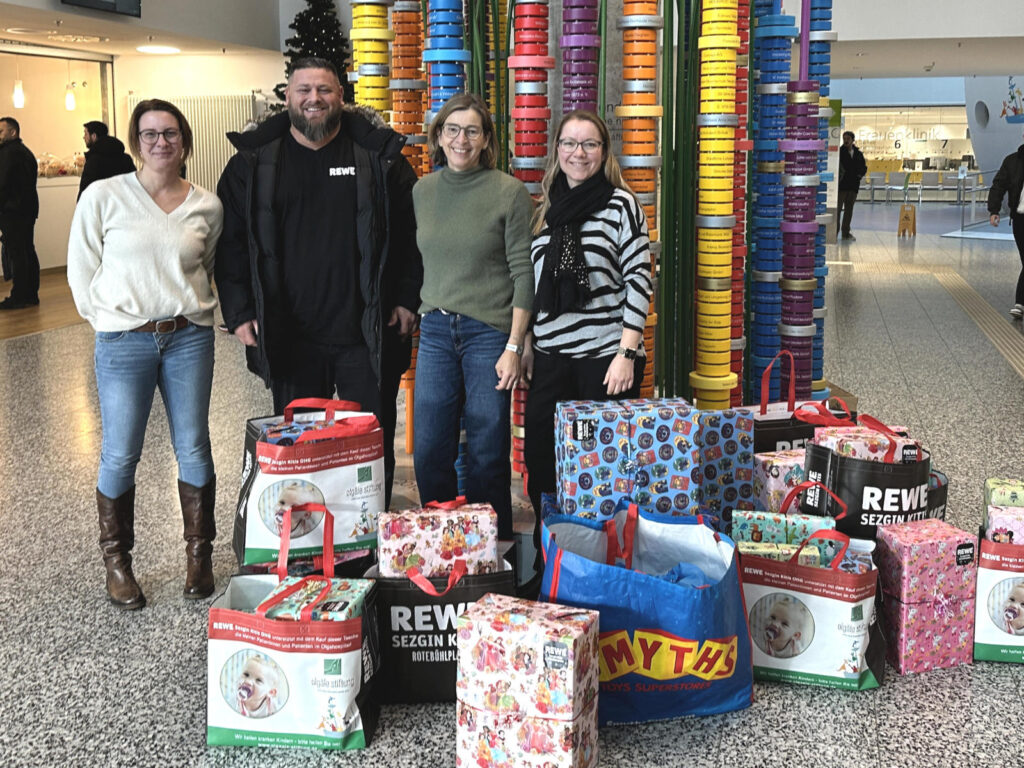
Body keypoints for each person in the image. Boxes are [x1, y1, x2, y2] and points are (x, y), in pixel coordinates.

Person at [215, 57, 421, 509]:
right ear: (287, 97)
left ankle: (368, 533)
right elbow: (231, 244)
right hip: (290, 336)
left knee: (369, 448)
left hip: (366, 335)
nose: (314, 99)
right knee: (301, 448)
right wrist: (240, 311)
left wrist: (408, 297)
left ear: (341, 97)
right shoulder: (252, 163)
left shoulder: (378, 156)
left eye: (325, 90)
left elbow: (412, 232)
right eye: (304, 90)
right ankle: (310, 536)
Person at [68, 99, 224, 610]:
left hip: (188, 337)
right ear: (137, 141)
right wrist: (105, 319)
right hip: (124, 341)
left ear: (185, 141)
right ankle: (117, 563)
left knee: (194, 446)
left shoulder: (206, 205)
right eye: (150, 134)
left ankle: (199, 557)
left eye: (170, 133)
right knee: (120, 452)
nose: (161, 142)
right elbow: (81, 267)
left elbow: (205, 267)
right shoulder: (104, 195)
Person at [522, 109, 652, 538]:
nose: (578, 153)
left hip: (604, 361)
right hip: (550, 360)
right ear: (556, 150)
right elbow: (534, 285)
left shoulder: (621, 205)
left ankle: (602, 555)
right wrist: (527, 343)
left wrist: (626, 353)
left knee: (603, 468)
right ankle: (552, 554)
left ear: (604, 151)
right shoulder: (545, 210)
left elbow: (639, 279)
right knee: (543, 462)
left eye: (589, 144)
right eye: (569, 143)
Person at [412, 93, 534, 539]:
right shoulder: (422, 191)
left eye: (472, 131)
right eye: (453, 130)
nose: (461, 140)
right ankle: (438, 544)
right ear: (439, 136)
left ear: (486, 140)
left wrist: (515, 345)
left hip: (489, 333)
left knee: (487, 449)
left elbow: (524, 273)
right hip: (436, 330)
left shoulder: (509, 192)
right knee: (429, 447)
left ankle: (492, 550)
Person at [0, 116, 40, 309]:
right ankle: (31, 294)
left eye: (1, 131)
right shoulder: (26, 152)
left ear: (13, 132)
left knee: (17, 254)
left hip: (12, 211)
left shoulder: (8, 153)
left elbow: (3, 184)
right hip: (27, 210)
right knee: (27, 251)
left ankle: (19, 296)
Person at [988, 142, 1024, 319]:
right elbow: (999, 185)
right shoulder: (1013, 161)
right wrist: (994, 210)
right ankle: (1020, 303)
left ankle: (1020, 303)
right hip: (1021, 218)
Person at [78, 120, 135, 199]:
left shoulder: (93, 161)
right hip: (124, 204)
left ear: (94, 136)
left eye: (86, 134)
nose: (84, 137)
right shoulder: (126, 158)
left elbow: (85, 192)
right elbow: (134, 186)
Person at [837, 130, 867, 241]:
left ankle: (845, 233)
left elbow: (864, 167)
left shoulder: (858, 154)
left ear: (853, 140)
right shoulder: (839, 152)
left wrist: (859, 176)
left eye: (848, 139)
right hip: (842, 186)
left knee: (849, 211)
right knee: (838, 210)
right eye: (844, 138)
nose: (846, 141)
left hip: (853, 187)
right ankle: (834, 233)